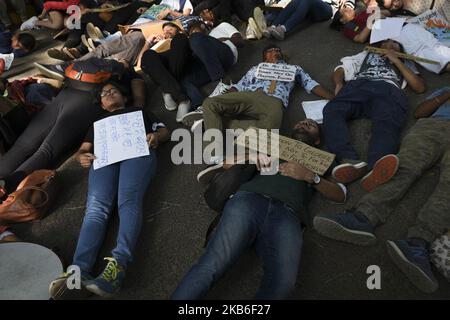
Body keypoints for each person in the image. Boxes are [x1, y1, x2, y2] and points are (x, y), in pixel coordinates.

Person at [172, 119, 347, 299]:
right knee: (212, 265)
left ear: (317, 140)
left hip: (287, 216)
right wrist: (251, 158)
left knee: (283, 285)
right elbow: (225, 163)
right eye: (300, 123)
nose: (303, 124)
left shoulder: (322, 158)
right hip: (248, 200)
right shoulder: (270, 142)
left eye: (310, 125)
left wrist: (311, 176)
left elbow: (340, 195)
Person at [313, 86, 450, 293]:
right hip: (434, 126)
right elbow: (420, 113)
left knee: (448, 192)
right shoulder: (446, 89)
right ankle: (362, 218)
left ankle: (417, 245)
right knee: (404, 167)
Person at [48, 81, 170, 299]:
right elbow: (83, 150)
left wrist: (156, 137)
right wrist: (81, 157)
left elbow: (164, 131)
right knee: (96, 208)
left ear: (124, 97)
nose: (109, 93)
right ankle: (79, 271)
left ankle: (118, 267)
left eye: (114, 90)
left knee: (128, 200)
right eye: (104, 93)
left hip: (137, 152)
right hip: (104, 159)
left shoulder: (140, 112)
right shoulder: (97, 122)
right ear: (102, 104)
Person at [0, 58, 136, 198]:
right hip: (87, 104)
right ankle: (7, 186)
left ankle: (4, 184)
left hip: (67, 94)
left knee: (23, 145)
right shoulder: (121, 74)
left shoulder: (100, 64)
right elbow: (137, 92)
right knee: (46, 151)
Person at [323, 39, 426, 186]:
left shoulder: (405, 61)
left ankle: (377, 166)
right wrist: (339, 83)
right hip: (359, 86)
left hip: (388, 90)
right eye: (385, 43)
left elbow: (419, 87)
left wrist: (396, 61)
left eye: (394, 45)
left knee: (387, 121)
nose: (389, 46)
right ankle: (349, 160)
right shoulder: (366, 53)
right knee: (332, 110)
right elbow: (340, 68)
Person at [181, 44, 334, 136]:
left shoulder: (293, 69)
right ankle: (214, 148)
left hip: (274, 101)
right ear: (264, 57)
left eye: (277, 49)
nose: (275, 51)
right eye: (270, 50)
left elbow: (310, 83)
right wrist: (222, 100)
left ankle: (212, 122)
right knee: (210, 103)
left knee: (270, 131)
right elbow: (239, 86)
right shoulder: (256, 69)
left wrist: (334, 98)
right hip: (249, 95)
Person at [335, 3, 450, 74]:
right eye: (344, 10)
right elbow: (360, 38)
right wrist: (372, 20)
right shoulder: (348, 26)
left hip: (404, 26)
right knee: (427, 54)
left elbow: (387, 12)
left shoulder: (365, 11)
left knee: (436, 46)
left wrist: (380, 13)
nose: (348, 8)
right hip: (395, 37)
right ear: (341, 20)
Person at [264, 0, 356, 40]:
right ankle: (273, 26)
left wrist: (346, 5)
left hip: (329, 9)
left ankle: (283, 29)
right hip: (312, 7)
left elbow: (350, 9)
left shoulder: (346, 9)